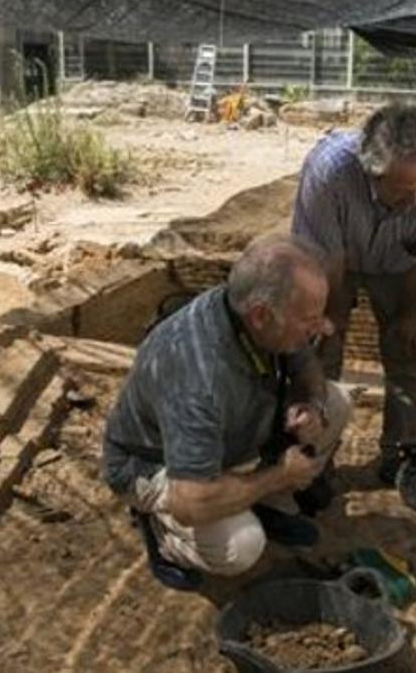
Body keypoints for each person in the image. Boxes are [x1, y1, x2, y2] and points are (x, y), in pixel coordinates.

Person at [103, 235, 352, 590]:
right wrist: (280, 475)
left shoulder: (256, 316)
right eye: (310, 319)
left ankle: (263, 503)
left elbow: (305, 364)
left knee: (336, 402)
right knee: (240, 548)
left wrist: (309, 403)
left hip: (226, 442)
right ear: (262, 315)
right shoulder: (197, 376)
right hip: (157, 467)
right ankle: (163, 535)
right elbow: (191, 500)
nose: (321, 328)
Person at [291, 102, 416, 513]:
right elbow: (326, 258)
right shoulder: (329, 171)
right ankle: (315, 454)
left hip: (403, 267)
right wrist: (330, 318)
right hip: (336, 259)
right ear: (373, 171)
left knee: (409, 350)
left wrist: (406, 315)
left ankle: (403, 456)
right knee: (320, 349)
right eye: (404, 190)